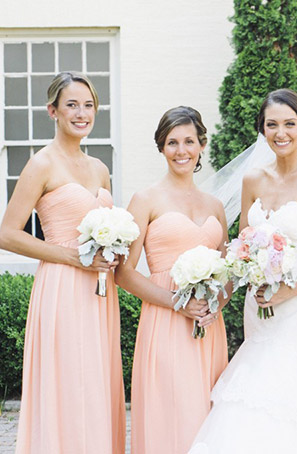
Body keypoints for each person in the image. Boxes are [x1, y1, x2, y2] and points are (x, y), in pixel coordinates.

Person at [188, 88, 297, 453]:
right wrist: (230, 288)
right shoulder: (253, 179)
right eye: (271, 125)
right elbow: (243, 245)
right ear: (262, 130)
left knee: (279, 379)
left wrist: (291, 289)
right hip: (257, 302)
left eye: (290, 124)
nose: (281, 133)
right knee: (254, 380)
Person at [0, 71, 125, 453]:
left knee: (96, 379)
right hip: (62, 287)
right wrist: (73, 257)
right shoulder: (41, 164)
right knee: (69, 378)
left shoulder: (100, 168)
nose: (81, 113)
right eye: (72, 105)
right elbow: (7, 233)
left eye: (88, 105)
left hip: (101, 292)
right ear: (52, 110)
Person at [114, 106, 230, 454]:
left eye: (189, 141)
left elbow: (227, 272)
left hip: (209, 325)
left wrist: (216, 304)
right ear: (162, 147)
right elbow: (123, 273)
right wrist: (178, 303)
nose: (182, 151)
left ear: (202, 145)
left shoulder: (215, 205)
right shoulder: (145, 200)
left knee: (208, 413)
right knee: (171, 411)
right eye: (172, 143)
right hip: (165, 320)